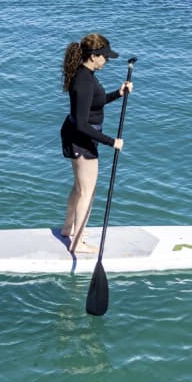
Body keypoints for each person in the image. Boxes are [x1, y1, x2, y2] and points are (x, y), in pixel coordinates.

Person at [59, 33, 133, 256]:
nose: (106, 61)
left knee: (80, 187)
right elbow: (82, 124)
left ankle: (68, 229)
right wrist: (113, 142)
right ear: (93, 56)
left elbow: (95, 103)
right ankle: (77, 243)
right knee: (87, 192)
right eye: (104, 57)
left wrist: (118, 94)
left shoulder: (86, 75)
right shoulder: (83, 81)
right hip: (82, 139)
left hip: (81, 137)